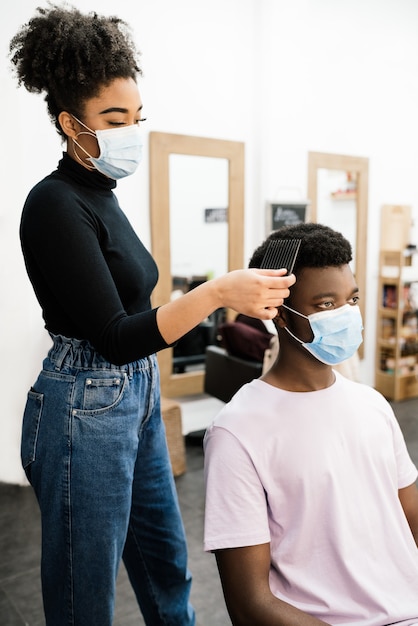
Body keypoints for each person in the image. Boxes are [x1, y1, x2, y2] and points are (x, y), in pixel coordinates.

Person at [8, 5, 295, 625]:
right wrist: (217, 293)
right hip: (87, 399)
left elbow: (133, 319)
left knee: (166, 566)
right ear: (70, 122)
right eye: (114, 119)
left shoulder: (102, 196)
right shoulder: (54, 204)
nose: (130, 131)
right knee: (85, 592)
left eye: (137, 118)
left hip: (135, 393)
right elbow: (114, 337)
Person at [204, 222, 418, 625]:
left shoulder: (373, 404)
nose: (347, 315)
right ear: (280, 315)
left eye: (351, 299)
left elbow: (413, 523)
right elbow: (250, 604)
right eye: (324, 305)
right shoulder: (237, 432)